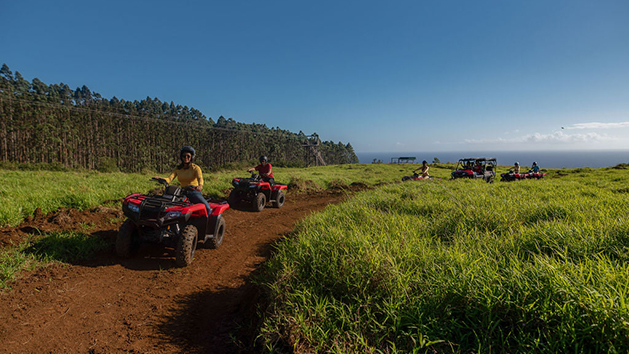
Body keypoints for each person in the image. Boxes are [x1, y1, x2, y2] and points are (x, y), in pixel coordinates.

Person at [154, 146, 212, 215]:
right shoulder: (178, 168)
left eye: (188, 156)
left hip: (194, 191)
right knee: (171, 207)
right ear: (181, 157)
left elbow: (200, 178)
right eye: (184, 156)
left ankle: (207, 224)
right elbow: (169, 179)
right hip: (182, 192)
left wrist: (200, 185)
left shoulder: (195, 168)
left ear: (191, 157)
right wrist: (160, 179)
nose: (186, 158)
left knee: (207, 208)